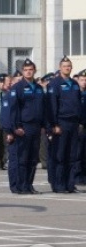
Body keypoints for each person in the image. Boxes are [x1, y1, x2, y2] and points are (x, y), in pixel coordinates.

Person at [8, 59, 45, 194]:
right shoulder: (17, 88)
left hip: (36, 127)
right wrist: (15, 127)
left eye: (31, 69)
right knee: (22, 159)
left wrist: (43, 125)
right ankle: (21, 185)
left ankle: (29, 185)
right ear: (23, 71)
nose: (28, 72)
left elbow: (43, 108)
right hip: (23, 127)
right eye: (26, 70)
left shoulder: (39, 88)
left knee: (33, 159)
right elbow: (13, 110)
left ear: (34, 71)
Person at [45, 57, 80, 193]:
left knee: (71, 156)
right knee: (59, 156)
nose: (67, 68)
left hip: (73, 123)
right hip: (61, 123)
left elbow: (78, 104)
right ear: (60, 68)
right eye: (65, 66)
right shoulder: (54, 84)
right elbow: (51, 106)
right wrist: (54, 124)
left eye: (69, 66)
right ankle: (58, 185)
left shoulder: (74, 84)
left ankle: (69, 184)